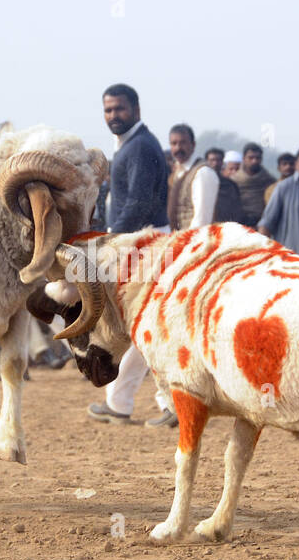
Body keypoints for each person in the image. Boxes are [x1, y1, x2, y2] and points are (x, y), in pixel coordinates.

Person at [87, 83, 172, 427]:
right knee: (142, 329)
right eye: (108, 110)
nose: (113, 116)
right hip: (138, 243)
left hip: (144, 245)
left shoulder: (139, 147)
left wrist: (110, 240)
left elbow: (138, 202)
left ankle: (169, 404)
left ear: (136, 109)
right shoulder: (130, 144)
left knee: (146, 329)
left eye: (119, 109)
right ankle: (122, 402)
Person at [165, 124, 218, 233]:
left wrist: (188, 244)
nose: (178, 148)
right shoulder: (178, 172)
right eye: (174, 144)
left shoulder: (203, 173)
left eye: (182, 143)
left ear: (193, 145)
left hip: (194, 241)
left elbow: (202, 220)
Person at [233, 143, 274, 227]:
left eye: (257, 158)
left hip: (262, 224)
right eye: (251, 158)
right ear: (244, 159)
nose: (254, 161)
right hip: (239, 224)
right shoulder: (233, 181)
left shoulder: (269, 181)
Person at [203, 148, 243, 223]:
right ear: (206, 162)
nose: (215, 163)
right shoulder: (200, 183)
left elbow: (236, 209)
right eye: (212, 160)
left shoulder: (230, 185)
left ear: (222, 162)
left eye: (218, 160)